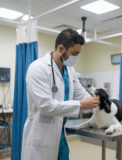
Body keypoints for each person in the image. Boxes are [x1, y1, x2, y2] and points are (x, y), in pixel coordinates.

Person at [21, 28, 99, 160]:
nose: (77, 57)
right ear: (61, 49)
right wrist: (80, 105)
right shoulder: (38, 68)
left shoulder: (70, 71)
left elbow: (81, 93)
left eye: (79, 53)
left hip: (60, 135)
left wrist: (96, 103)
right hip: (41, 136)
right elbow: (46, 106)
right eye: (75, 53)